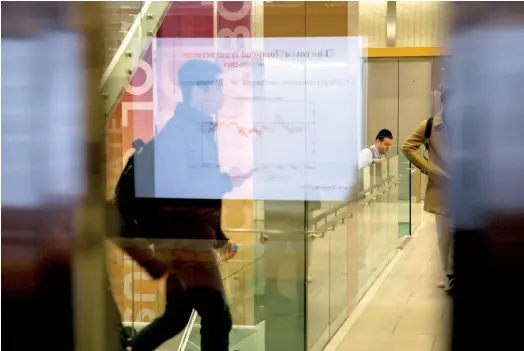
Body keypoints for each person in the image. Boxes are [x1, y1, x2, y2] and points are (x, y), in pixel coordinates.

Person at [130, 59, 249, 351]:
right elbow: (178, 198)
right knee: (217, 318)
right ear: (198, 90)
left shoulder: (200, 132)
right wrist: (225, 182)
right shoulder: (177, 136)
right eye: (218, 85)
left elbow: (201, 195)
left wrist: (218, 238)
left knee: (176, 317)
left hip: (190, 241)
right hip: (185, 243)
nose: (222, 94)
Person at [401, 90, 453, 292]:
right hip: (442, 189)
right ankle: (448, 273)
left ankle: (453, 273)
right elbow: (408, 147)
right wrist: (430, 169)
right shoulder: (430, 125)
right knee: (445, 235)